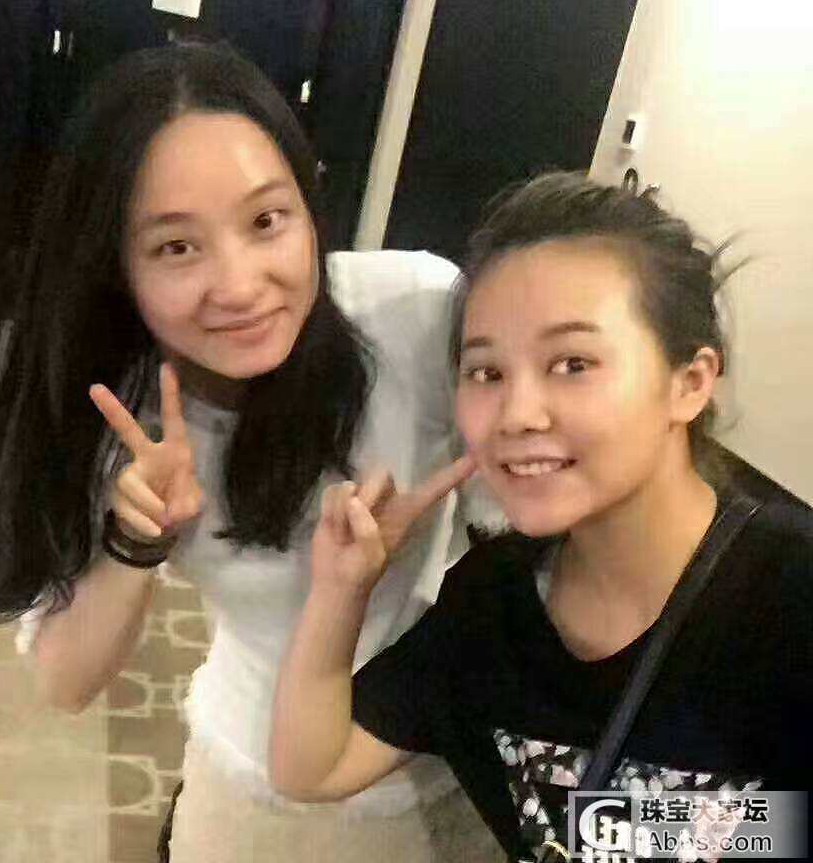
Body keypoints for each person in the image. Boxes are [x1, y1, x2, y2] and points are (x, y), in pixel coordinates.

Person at [0, 40, 501, 862]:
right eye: (176, 247)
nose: (240, 287)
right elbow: (65, 682)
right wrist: (138, 541)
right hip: (256, 784)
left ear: (308, 206)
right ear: (119, 265)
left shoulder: (418, 312)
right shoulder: (116, 412)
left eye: (266, 221)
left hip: (449, 766)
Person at [269, 172, 813, 862]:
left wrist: (637, 826)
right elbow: (312, 767)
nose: (518, 414)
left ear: (690, 383)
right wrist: (341, 588)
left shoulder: (790, 597)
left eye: (572, 363)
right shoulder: (494, 603)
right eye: (487, 372)